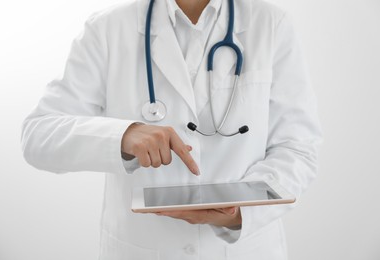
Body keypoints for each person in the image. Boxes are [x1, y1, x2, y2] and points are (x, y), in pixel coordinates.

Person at [21, 0, 322, 259]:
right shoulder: (108, 29)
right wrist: (122, 135)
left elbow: (298, 146)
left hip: (243, 250)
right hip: (141, 248)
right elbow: (38, 135)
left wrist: (242, 212)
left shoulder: (270, 24)